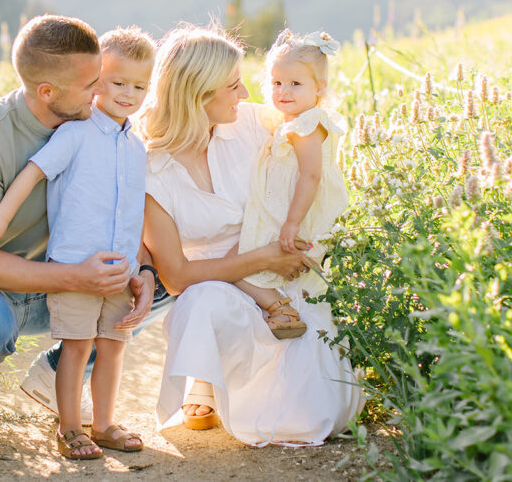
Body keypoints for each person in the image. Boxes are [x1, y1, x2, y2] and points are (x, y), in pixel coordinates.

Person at [0, 15, 162, 444]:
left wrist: (147, 271)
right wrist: (77, 277)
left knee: (153, 283)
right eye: (91, 85)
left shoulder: (98, 131)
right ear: (48, 92)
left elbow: (124, 210)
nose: (103, 91)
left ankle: (58, 367)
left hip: (44, 276)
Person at [138, 23, 363, 446]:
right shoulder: (153, 171)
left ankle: (242, 382)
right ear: (198, 96)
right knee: (201, 301)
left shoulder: (254, 123)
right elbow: (178, 277)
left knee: (315, 414)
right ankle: (203, 381)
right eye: (233, 86)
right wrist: (260, 260)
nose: (245, 94)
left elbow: (312, 151)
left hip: (286, 275)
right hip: (217, 285)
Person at [0, 26, 156, 459]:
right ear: (96, 81)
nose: (128, 94)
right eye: (116, 83)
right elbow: (34, 172)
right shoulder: (76, 133)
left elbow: (134, 211)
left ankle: (105, 423)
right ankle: (69, 427)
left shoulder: (136, 146)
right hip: (73, 268)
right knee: (77, 347)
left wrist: (139, 267)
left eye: (139, 86)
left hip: (119, 271)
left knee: (112, 348)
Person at [233, 29, 350, 339]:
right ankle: (282, 309)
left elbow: (311, 175)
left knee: (239, 267)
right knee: (248, 265)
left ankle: (281, 308)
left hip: (294, 213)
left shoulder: (307, 125)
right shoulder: (294, 121)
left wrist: (292, 223)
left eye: (295, 84)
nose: (283, 91)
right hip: (285, 207)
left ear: (319, 88)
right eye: (276, 82)